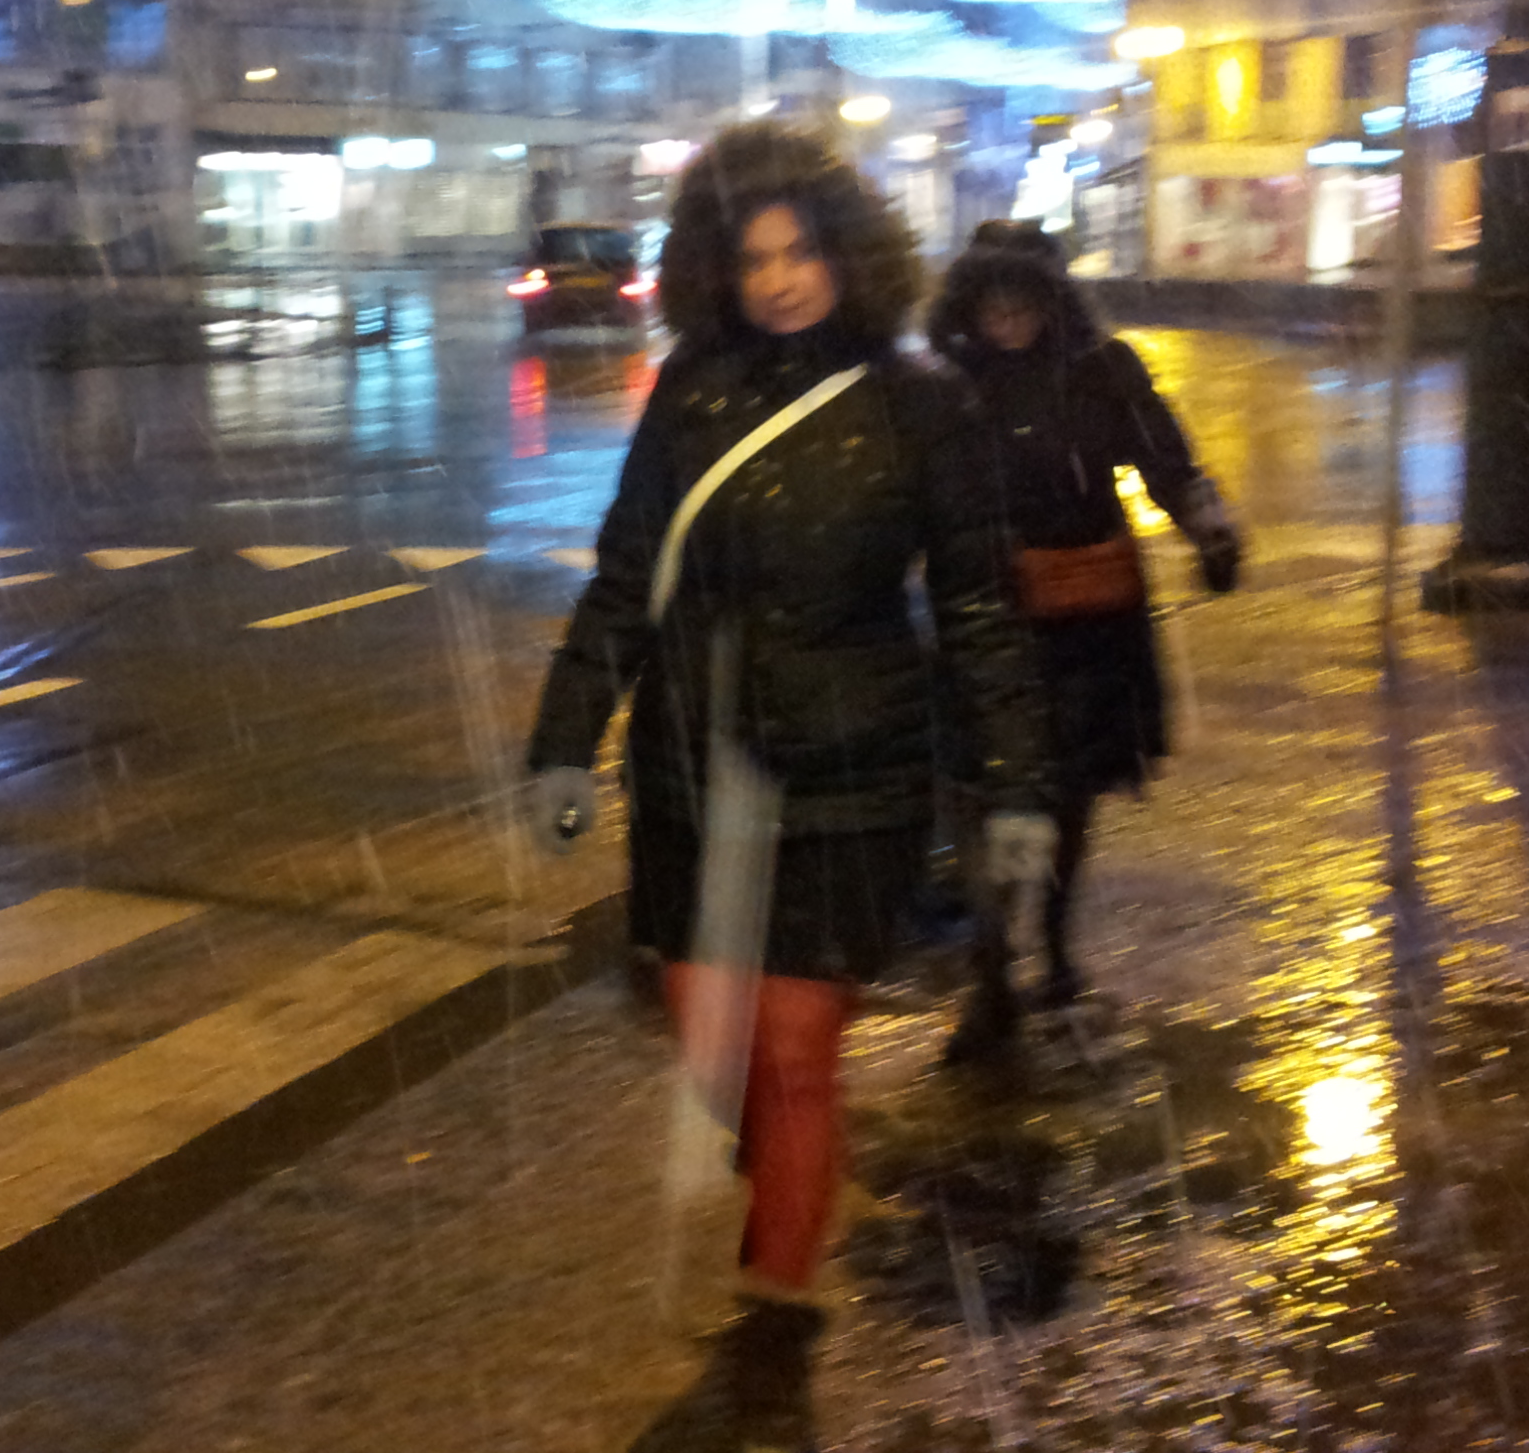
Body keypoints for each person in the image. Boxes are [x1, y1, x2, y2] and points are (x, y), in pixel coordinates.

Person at [520, 125, 1053, 1452]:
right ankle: (786, 1159)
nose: (778, 281)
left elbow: (979, 608)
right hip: (692, 770)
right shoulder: (692, 391)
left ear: (849, 255)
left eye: (800, 252)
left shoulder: (922, 403)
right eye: (752, 259)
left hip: (854, 776)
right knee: (717, 1046)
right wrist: (562, 739)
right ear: (716, 269)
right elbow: (627, 579)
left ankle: (777, 1310)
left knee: (799, 1052)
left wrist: (1016, 786)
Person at [927, 219, 1241, 1053]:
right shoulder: (944, 386)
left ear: (1053, 297)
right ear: (968, 302)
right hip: (983, 621)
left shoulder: (1104, 372)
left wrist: (1209, 528)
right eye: (992, 300)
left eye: (1023, 298)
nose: (1008, 316)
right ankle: (993, 967)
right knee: (990, 795)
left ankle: (1056, 950)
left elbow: (1168, 461)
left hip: (1089, 624)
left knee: (1067, 795)